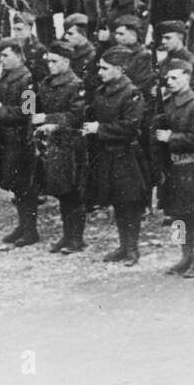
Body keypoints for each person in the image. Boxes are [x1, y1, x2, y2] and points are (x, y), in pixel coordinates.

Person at [82, 49, 148, 266]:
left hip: (125, 155)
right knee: (118, 203)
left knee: (130, 202)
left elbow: (131, 126)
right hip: (107, 155)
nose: (99, 72)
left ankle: (132, 249)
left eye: (104, 68)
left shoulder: (131, 93)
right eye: (99, 67)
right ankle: (123, 246)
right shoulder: (102, 91)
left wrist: (100, 129)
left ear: (119, 70)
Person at [153, 60, 194, 278]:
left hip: (190, 168)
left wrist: (172, 138)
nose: (170, 82)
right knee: (176, 216)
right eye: (168, 78)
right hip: (171, 168)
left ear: (187, 77)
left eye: (175, 77)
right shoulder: (167, 103)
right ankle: (183, 256)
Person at [30, 43, 87, 254]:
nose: (50, 65)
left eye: (54, 61)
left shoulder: (75, 84)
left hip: (71, 145)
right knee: (62, 192)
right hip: (52, 144)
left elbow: (77, 115)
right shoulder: (46, 83)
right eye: (48, 61)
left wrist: (49, 119)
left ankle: (76, 238)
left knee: (73, 192)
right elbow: (35, 106)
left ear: (66, 61)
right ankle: (67, 235)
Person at [0, 39, 38, 247]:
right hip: (7, 138)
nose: (2, 60)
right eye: (1, 56)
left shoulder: (27, 78)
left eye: (7, 56)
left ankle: (30, 229)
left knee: (26, 186)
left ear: (19, 55)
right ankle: (23, 225)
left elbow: (28, 110)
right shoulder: (6, 75)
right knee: (17, 187)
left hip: (21, 139)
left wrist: (1, 111)